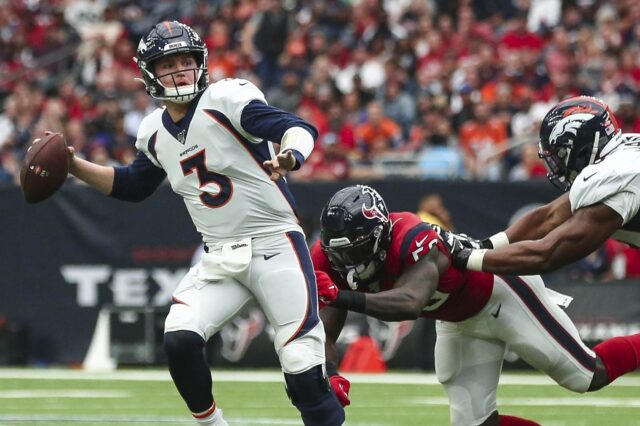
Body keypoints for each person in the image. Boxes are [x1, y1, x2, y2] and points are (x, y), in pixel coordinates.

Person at [64, 21, 344, 426]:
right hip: (221, 256)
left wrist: (290, 157)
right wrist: (74, 165)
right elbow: (133, 185)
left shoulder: (226, 98)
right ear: (148, 73)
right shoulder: (153, 131)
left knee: (303, 370)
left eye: (185, 61)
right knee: (179, 338)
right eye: (168, 64)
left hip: (274, 243)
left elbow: (297, 127)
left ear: (201, 63)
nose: (179, 71)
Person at [310, 184, 640, 426]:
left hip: (501, 292)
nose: (348, 263)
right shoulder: (330, 257)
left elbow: (410, 302)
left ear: (380, 234)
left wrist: (340, 295)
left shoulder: (412, 236)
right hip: (457, 320)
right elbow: (325, 329)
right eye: (341, 254)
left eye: (356, 251)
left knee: (585, 374)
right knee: (475, 424)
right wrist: (332, 373)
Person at [448, 95, 640, 275]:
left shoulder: (617, 176)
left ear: (583, 149)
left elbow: (546, 254)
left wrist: (465, 258)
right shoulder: (620, 152)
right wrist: (483, 246)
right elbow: (549, 216)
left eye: (560, 154)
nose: (556, 165)